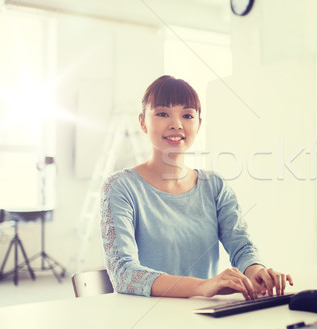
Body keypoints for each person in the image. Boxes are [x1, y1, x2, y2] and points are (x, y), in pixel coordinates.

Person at [100, 75, 292, 299]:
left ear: (199, 124)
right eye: (162, 114)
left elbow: (241, 247)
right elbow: (124, 273)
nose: (176, 124)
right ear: (142, 122)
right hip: (146, 321)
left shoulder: (215, 186)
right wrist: (203, 286)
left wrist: (256, 271)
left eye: (188, 115)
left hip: (202, 317)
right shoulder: (120, 187)